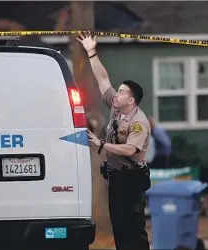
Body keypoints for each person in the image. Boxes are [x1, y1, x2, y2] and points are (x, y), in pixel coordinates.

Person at [76, 31, 151, 250]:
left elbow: (130, 149)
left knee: (133, 229)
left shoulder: (139, 122)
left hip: (132, 180)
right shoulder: (117, 109)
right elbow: (102, 79)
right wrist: (91, 52)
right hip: (117, 179)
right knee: (119, 227)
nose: (116, 95)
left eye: (121, 92)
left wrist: (101, 144)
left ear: (131, 100)